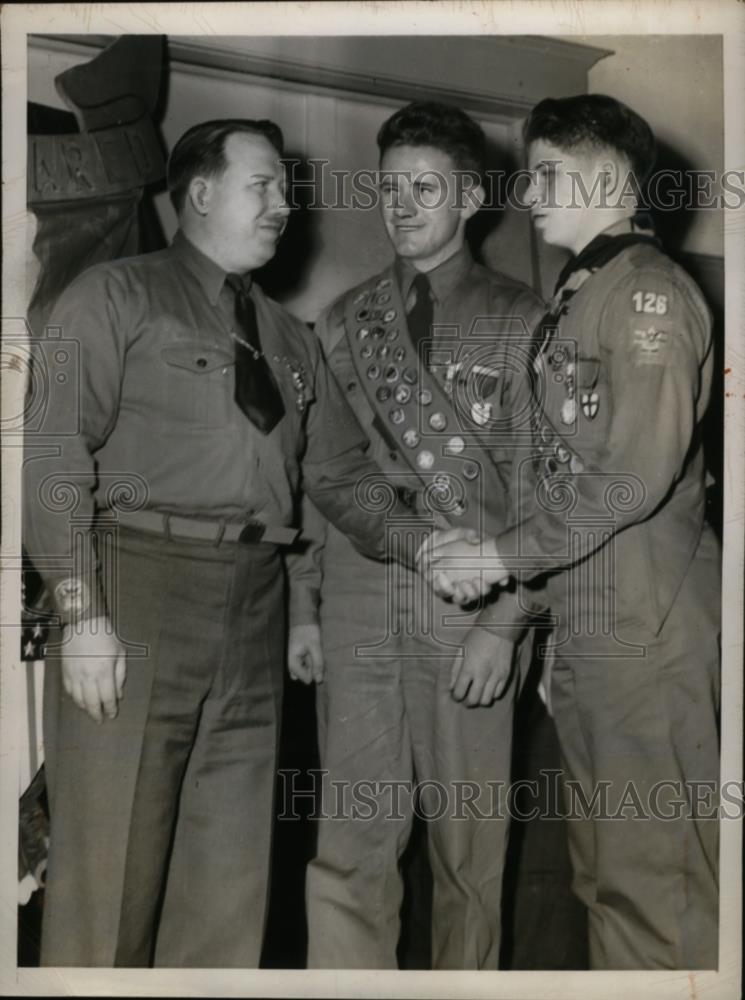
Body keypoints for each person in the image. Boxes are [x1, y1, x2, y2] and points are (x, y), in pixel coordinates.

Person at [22, 118, 435, 968]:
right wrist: (81, 612)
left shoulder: (290, 337)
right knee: (110, 886)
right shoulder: (113, 295)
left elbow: (341, 477)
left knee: (229, 886)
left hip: (253, 606)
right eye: (266, 186)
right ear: (201, 194)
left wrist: (429, 546)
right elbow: (53, 454)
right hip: (135, 593)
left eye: (287, 188)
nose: (286, 204)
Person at [424, 94, 720, 970]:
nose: (528, 191)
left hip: (645, 624)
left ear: (608, 177)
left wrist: (497, 555)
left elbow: (629, 475)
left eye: (546, 172)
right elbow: (558, 471)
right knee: (606, 880)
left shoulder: (646, 297)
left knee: (654, 886)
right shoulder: (586, 293)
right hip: (599, 626)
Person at [297, 101, 544, 969]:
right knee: (349, 842)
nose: (402, 205)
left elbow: (545, 490)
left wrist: (504, 621)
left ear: (470, 196)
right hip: (361, 591)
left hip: (468, 600)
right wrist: (304, 608)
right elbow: (318, 474)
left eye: (425, 187)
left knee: (467, 852)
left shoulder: (525, 320)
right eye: (390, 186)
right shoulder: (341, 322)